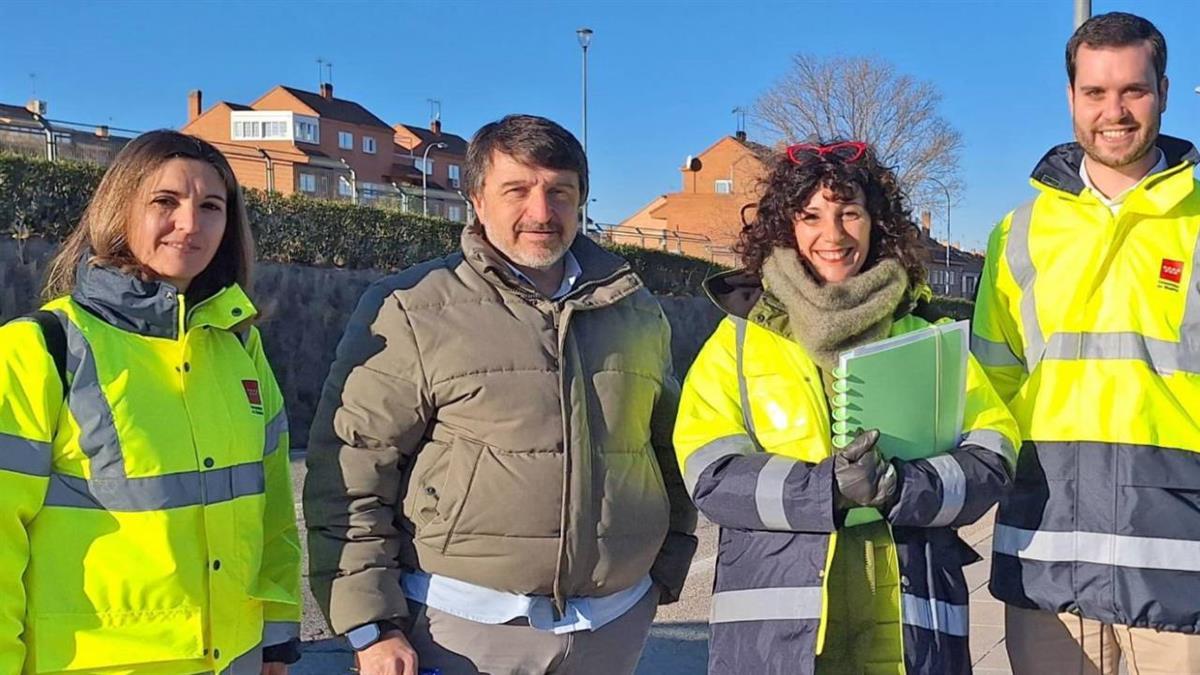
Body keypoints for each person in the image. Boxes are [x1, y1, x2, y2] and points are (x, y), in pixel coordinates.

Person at [304, 114, 697, 675]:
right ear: (476, 199)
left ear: (581, 199)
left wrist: (665, 567)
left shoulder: (635, 311)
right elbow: (352, 470)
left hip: (613, 625)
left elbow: (667, 447)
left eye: (559, 192)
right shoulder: (412, 306)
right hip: (462, 630)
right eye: (517, 189)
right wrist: (373, 626)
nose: (541, 212)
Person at [673, 140, 1020, 674]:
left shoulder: (928, 337)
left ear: (875, 223)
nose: (832, 236)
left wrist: (905, 488)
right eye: (810, 216)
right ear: (785, 227)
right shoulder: (738, 341)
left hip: (910, 629)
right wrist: (824, 490)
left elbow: (993, 453)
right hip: (778, 642)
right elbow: (709, 472)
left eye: (849, 214)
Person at [0, 130, 301, 673]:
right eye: (166, 202)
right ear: (118, 209)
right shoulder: (40, 349)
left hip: (233, 661)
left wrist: (276, 639)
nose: (190, 224)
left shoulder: (239, 346)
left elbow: (273, 508)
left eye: (211, 206)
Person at [973, 12, 1200, 674]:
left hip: (1179, 563)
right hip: (1048, 559)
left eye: (1133, 89)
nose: (1115, 111)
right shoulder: (1018, 232)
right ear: (1071, 97)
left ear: (1162, 88)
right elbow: (991, 386)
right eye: (1096, 92)